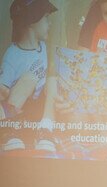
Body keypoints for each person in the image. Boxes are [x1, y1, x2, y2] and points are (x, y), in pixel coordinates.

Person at [0, 0, 59, 152]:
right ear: (33, 21)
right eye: (46, 17)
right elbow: (2, 90)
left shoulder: (45, 49)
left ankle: (46, 130)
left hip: (38, 112)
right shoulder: (13, 54)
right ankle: (11, 130)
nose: (50, 23)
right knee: (30, 78)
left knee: (53, 77)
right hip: (18, 112)